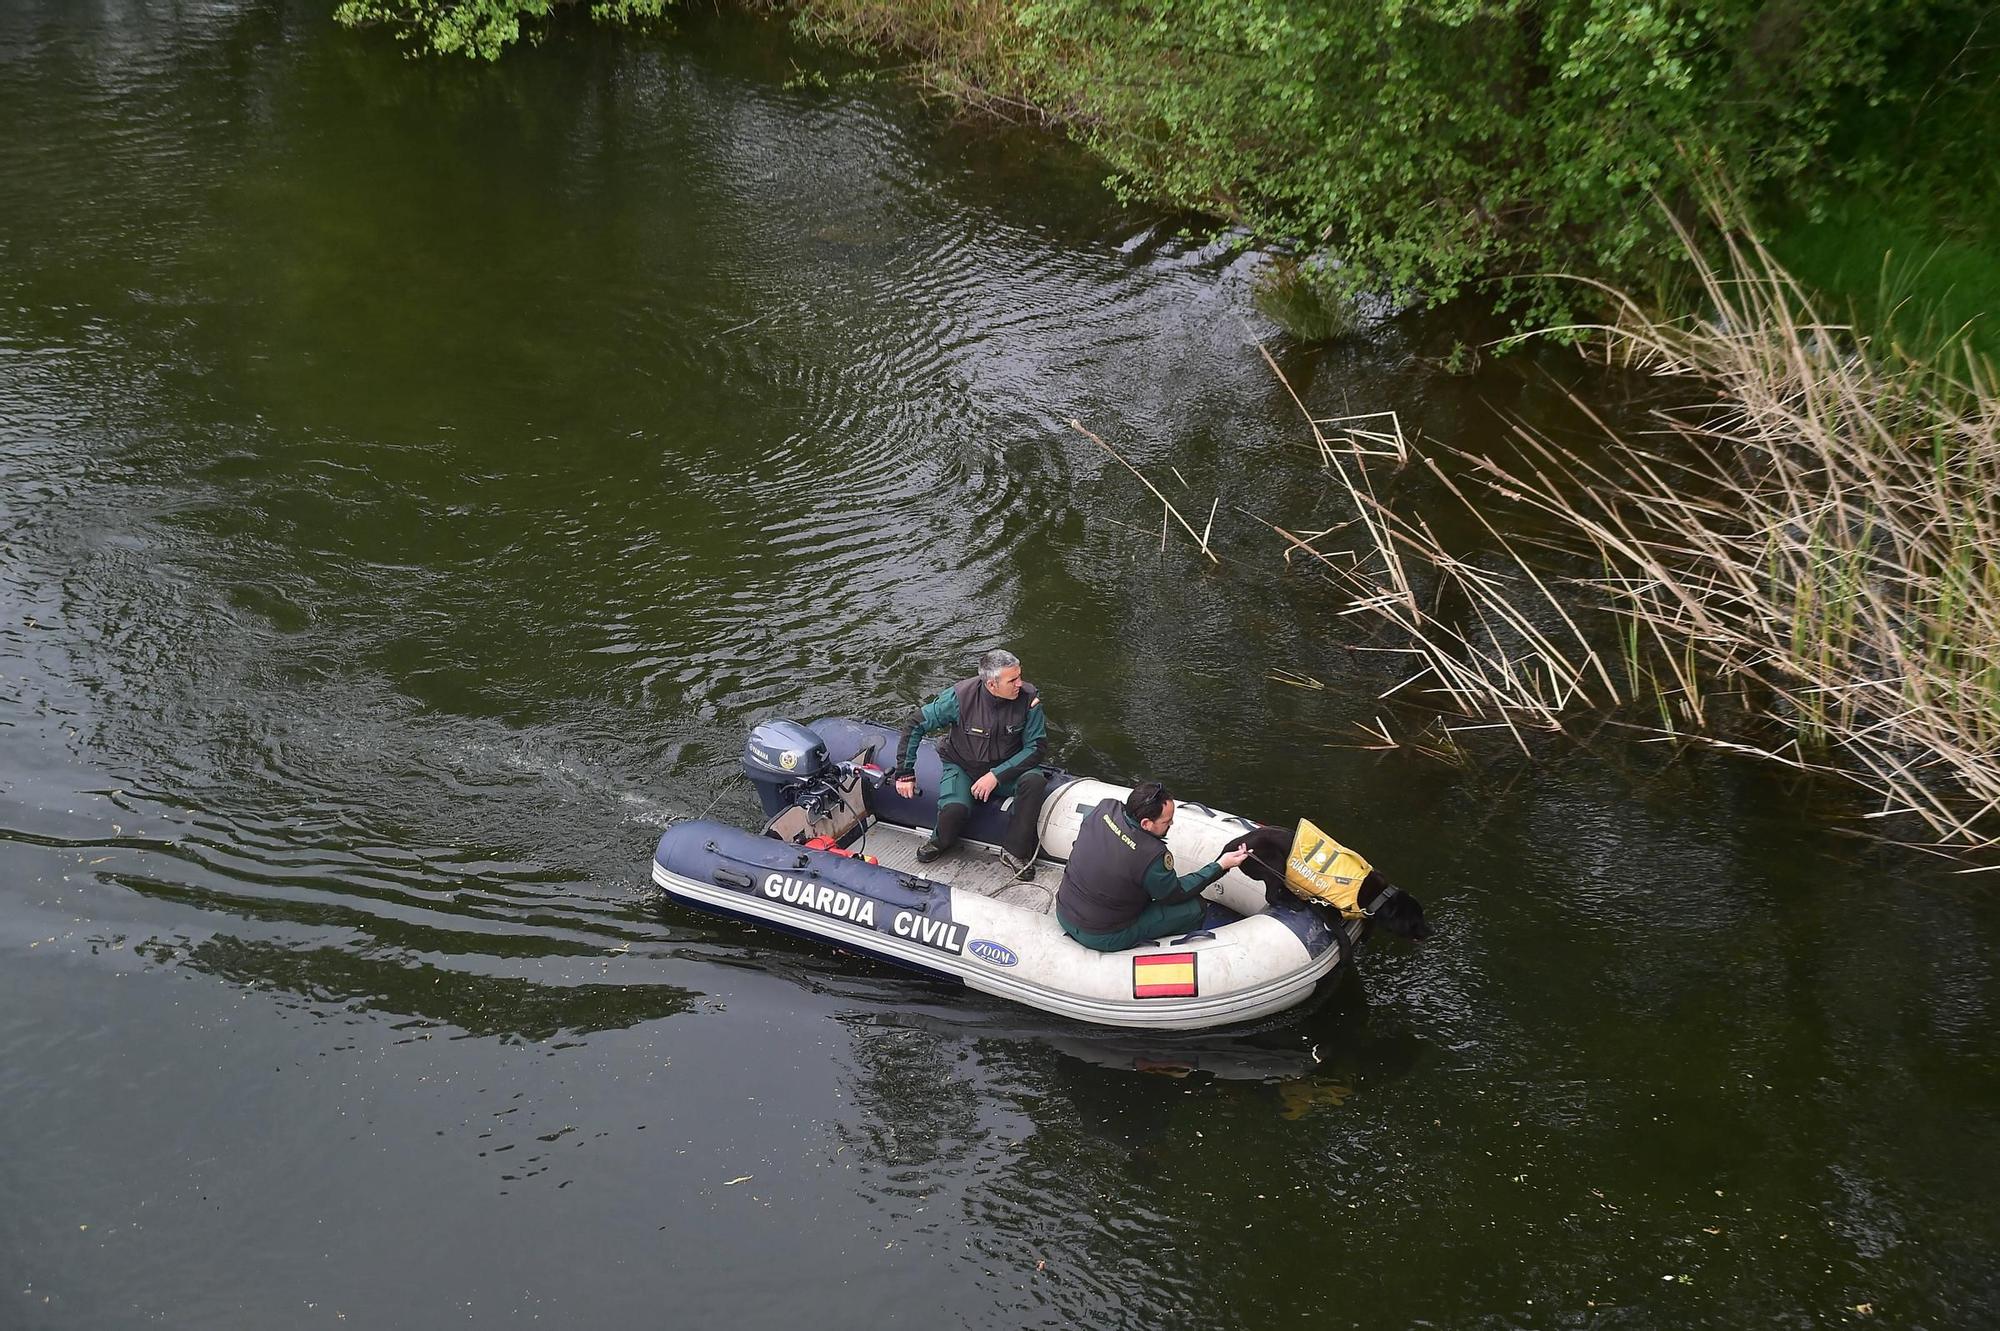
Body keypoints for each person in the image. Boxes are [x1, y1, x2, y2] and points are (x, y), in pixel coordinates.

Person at [892, 649, 1051, 879]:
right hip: (962, 764)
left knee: (1034, 780)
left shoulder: (1029, 701)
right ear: (991, 684)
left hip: (1006, 769)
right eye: (1013, 680)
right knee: (954, 809)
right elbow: (916, 724)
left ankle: (1015, 852)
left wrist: (996, 775)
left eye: (1020, 677)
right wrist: (905, 772)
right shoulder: (960, 698)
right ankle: (940, 841)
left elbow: (1036, 748)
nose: (1020, 684)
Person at [1056, 781, 1253, 952]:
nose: (1172, 823)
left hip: (1064, 910)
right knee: (1194, 908)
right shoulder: (1151, 855)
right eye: (1167, 821)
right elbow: (1174, 894)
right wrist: (1220, 865)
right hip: (1102, 934)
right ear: (1146, 824)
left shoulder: (1105, 808)